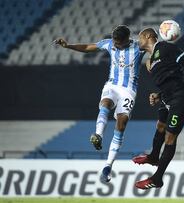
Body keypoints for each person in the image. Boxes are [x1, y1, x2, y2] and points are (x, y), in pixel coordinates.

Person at [54, 25, 144, 183]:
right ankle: (98, 135)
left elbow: (154, 49)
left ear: (127, 39)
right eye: (114, 42)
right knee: (105, 103)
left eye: (118, 43)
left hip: (129, 90)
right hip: (112, 85)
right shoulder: (109, 43)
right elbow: (89, 47)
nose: (115, 45)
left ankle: (108, 166)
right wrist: (68, 46)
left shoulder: (138, 46)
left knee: (121, 123)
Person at [133, 28, 184, 189]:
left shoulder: (166, 48)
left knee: (170, 138)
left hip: (180, 99)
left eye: (140, 37)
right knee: (160, 126)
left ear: (148, 36)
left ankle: (157, 178)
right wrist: (158, 95)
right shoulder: (150, 61)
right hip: (167, 98)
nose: (138, 41)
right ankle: (154, 156)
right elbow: (169, 79)